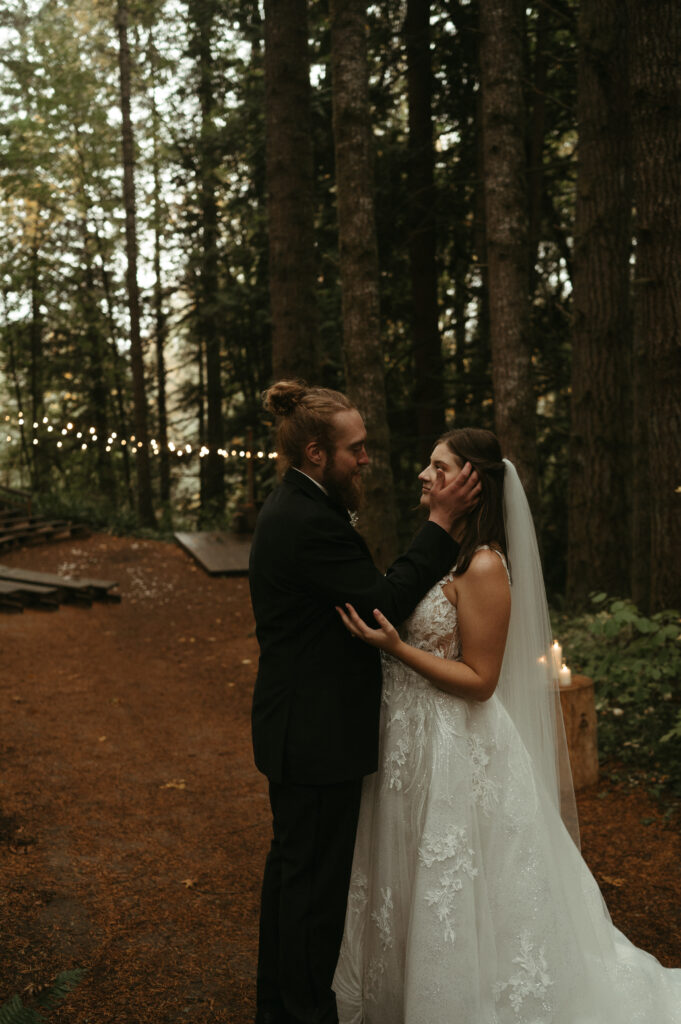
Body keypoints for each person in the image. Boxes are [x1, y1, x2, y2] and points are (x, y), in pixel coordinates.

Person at [333, 428, 681, 1024]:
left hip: (457, 749)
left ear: (470, 483)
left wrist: (396, 648)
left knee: (465, 888)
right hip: (411, 743)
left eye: (437, 466)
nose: (423, 475)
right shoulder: (442, 551)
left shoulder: (487, 565)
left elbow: (480, 679)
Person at [248, 381, 481, 1024]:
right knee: (313, 890)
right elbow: (381, 602)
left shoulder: (300, 505)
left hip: (299, 725)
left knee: (295, 875)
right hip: (315, 733)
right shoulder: (308, 520)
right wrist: (439, 525)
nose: (367, 459)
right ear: (318, 452)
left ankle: (280, 1006)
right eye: (357, 449)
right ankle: (302, 1012)